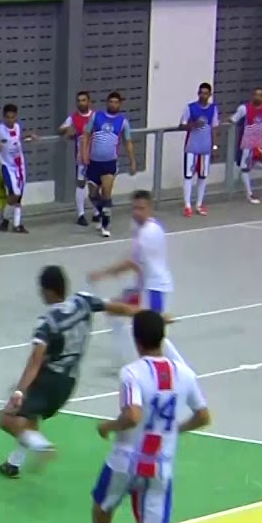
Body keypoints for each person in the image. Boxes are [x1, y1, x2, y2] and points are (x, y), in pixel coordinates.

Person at [89, 309, 211, 523]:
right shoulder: (184, 374)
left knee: (101, 512)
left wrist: (108, 426)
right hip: (161, 466)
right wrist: (176, 429)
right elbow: (203, 415)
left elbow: (133, 414)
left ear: (136, 339)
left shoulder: (132, 373)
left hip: (126, 461)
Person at [0, 265, 144, 479]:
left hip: (48, 380)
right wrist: (146, 314)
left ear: (48, 291)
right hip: (69, 382)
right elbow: (116, 308)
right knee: (31, 419)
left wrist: (19, 392)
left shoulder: (48, 322)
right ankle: (13, 464)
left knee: (6, 419)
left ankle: (42, 447)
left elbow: (35, 360)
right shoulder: (83, 301)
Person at [88, 190, 188, 369]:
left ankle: (181, 368)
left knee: (154, 333)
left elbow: (132, 263)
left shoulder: (148, 233)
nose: (136, 212)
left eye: (141, 208)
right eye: (134, 208)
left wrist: (103, 274)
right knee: (113, 310)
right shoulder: (140, 227)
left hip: (155, 289)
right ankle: (123, 360)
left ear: (150, 209)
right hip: (143, 287)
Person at [80, 92, 138, 237]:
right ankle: (101, 212)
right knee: (93, 194)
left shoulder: (123, 122)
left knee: (106, 194)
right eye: (111, 102)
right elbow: (86, 135)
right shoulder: (96, 116)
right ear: (107, 103)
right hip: (94, 162)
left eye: (116, 102)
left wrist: (132, 161)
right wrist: (84, 154)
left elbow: (128, 142)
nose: (113, 104)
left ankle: (105, 224)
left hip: (109, 163)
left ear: (120, 104)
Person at [0, 103, 35, 233]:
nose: (10, 120)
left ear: (16, 117)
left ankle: (16, 224)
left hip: (19, 165)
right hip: (7, 165)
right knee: (14, 193)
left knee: (19, 195)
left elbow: (15, 139)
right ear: (4, 117)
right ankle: (3, 216)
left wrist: (28, 135)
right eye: (8, 117)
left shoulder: (17, 127)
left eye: (12, 117)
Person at [228, 87, 262, 205]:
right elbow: (233, 119)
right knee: (245, 168)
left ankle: (248, 168)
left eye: (260, 95)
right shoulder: (244, 109)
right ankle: (249, 194)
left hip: (259, 142)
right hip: (247, 142)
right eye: (256, 95)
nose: (258, 97)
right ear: (252, 96)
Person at [179, 83, 219, 217]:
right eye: (201, 92)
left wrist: (214, 146)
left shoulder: (213, 109)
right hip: (191, 147)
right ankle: (187, 205)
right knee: (188, 176)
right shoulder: (190, 108)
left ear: (210, 94)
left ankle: (199, 203)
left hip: (205, 148)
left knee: (202, 176)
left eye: (206, 93)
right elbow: (182, 125)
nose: (203, 95)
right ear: (198, 93)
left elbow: (214, 128)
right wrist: (193, 124)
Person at [59, 91, 96, 227]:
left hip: (97, 156)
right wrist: (68, 131)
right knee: (81, 184)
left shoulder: (95, 116)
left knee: (95, 185)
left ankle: (97, 212)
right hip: (82, 157)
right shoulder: (73, 118)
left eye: (84, 100)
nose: (81, 103)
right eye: (79, 100)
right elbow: (61, 129)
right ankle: (80, 214)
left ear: (89, 101)